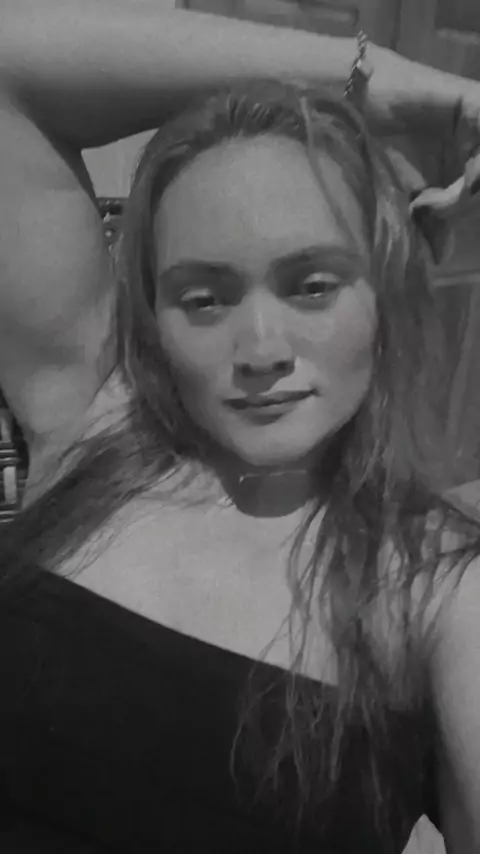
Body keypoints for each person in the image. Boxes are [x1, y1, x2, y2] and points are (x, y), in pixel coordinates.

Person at [1, 2, 480, 852]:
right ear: (153, 316)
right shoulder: (97, 426)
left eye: (312, 285)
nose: (260, 350)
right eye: (204, 298)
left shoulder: (435, 590)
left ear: (385, 289)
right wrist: (373, 80)